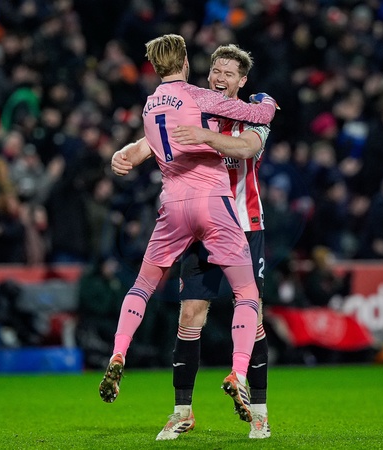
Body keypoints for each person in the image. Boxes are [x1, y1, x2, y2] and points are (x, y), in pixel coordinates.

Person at [98, 34, 277, 431]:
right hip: (202, 223)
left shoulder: (248, 115)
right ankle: (182, 413)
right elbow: (153, 138)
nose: (219, 77)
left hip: (244, 222)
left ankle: (259, 413)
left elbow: (247, 147)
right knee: (190, 314)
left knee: (254, 318)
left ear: (241, 81)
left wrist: (206, 137)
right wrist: (125, 153)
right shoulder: (197, 104)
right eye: (215, 70)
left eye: (228, 73)